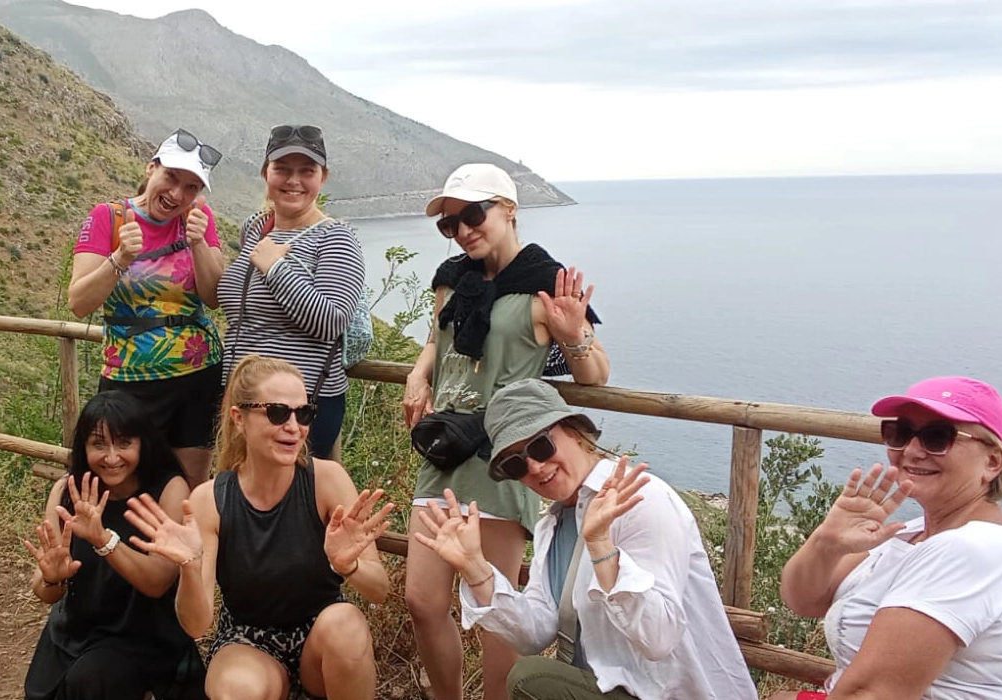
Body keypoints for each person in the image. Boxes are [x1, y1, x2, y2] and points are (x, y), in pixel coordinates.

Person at [401, 163, 611, 700]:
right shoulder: (452, 281)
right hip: (444, 450)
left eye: (474, 214)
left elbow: (596, 375)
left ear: (509, 210)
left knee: (498, 612)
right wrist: (419, 372)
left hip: (505, 458)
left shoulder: (544, 283)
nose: (464, 230)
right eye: (451, 224)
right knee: (423, 599)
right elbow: (436, 341)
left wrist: (571, 335)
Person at [414, 378, 757, 700]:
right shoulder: (555, 525)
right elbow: (534, 633)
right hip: (613, 687)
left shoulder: (639, 500)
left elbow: (659, 638)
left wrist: (601, 547)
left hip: (665, 692)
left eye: (540, 445)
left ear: (576, 432)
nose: (534, 467)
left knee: (530, 680)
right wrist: (475, 568)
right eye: (515, 464)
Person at [125, 354, 392, 700]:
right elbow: (197, 625)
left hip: (321, 634)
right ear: (239, 418)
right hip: (248, 639)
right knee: (235, 690)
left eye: (304, 413)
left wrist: (349, 566)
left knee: (346, 624)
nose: (294, 427)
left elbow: (380, 590)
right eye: (278, 413)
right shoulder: (210, 500)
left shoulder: (326, 480)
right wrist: (190, 568)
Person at [773, 376, 1002, 700]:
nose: (911, 450)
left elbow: (871, 693)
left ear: (992, 461)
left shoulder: (971, 551)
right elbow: (804, 601)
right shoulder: (914, 532)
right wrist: (826, 543)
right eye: (899, 433)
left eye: (937, 437)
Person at [68, 128, 227, 489]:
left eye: (191, 188)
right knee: (121, 482)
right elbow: (79, 302)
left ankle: (176, 548)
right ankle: (115, 547)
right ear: (150, 168)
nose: (177, 194)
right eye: (171, 177)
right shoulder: (109, 217)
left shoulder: (200, 219)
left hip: (197, 377)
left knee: (188, 488)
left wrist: (199, 243)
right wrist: (120, 258)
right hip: (129, 380)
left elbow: (214, 297)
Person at [22, 391, 200, 700]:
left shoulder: (168, 490)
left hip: (143, 636)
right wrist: (53, 576)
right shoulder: (67, 490)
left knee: (92, 679)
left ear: (143, 443)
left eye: (124, 443)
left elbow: (158, 582)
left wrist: (102, 539)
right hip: (75, 633)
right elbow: (46, 592)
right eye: (99, 444)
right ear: (84, 447)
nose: (113, 456)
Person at [216, 125, 364, 460]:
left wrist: (276, 269)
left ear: (322, 177)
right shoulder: (256, 228)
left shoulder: (336, 239)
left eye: (306, 171)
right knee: (241, 502)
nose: (293, 180)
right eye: (282, 169)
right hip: (242, 403)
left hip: (297, 412)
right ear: (265, 172)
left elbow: (331, 321)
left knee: (296, 505)